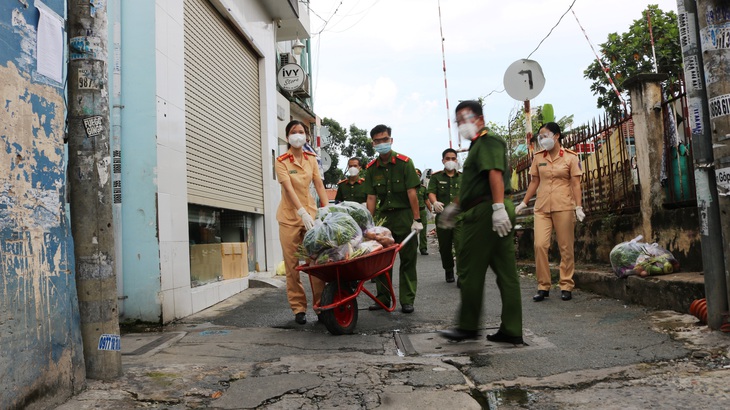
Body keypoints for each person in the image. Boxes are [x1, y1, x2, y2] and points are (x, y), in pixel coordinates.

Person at [438, 100, 523, 344]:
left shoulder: (487, 140)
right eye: (459, 121)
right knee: (506, 271)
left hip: (487, 211)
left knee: (470, 269)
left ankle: (467, 326)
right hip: (489, 208)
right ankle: (512, 329)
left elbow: (494, 173)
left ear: (480, 119)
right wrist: (456, 206)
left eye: (467, 119)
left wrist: (497, 207)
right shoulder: (477, 145)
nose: (463, 125)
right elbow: (476, 183)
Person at [515, 122, 584, 302]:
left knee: (565, 247)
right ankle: (543, 286)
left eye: (545, 136)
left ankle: (566, 284)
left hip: (564, 206)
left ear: (557, 136)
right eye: (540, 137)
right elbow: (534, 182)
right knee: (540, 245)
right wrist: (523, 203)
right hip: (542, 207)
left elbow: (576, 184)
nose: (542, 140)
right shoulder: (538, 157)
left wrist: (579, 206)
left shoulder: (571, 157)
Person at [363, 124, 423, 314]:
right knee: (381, 260)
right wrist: (368, 225)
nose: (382, 143)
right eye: (378, 141)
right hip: (384, 219)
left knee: (407, 259)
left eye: (385, 139)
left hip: (405, 216)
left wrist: (417, 219)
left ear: (391, 140)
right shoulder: (372, 169)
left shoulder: (405, 163)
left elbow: (411, 192)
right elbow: (371, 198)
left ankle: (407, 299)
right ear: (373, 143)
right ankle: (383, 298)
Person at [276, 120, 330, 325]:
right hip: (289, 218)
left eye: (300, 132)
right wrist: (300, 212)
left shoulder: (311, 158)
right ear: (287, 136)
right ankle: (298, 308)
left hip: (311, 217)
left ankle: (320, 306)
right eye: (293, 132)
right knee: (292, 266)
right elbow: (288, 189)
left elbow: (319, 184)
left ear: (306, 137)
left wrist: (326, 209)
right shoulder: (281, 161)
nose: (297, 135)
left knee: (315, 262)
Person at [427, 148, 462, 283]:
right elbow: (431, 192)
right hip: (443, 218)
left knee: (461, 246)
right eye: (447, 159)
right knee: (445, 247)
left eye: (453, 159)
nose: (450, 161)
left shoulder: (463, 177)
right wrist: (434, 202)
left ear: (456, 160)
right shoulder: (436, 177)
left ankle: (462, 275)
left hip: (460, 218)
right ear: (443, 161)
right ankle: (448, 269)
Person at [415, 168, 431, 256]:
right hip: (411, 213)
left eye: (418, 175)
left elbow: (426, 201)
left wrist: (431, 211)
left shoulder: (423, 189)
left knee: (423, 231)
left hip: (422, 212)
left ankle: (423, 248)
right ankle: (413, 248)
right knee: (412, 232)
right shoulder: (408, 188)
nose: (417, 177)